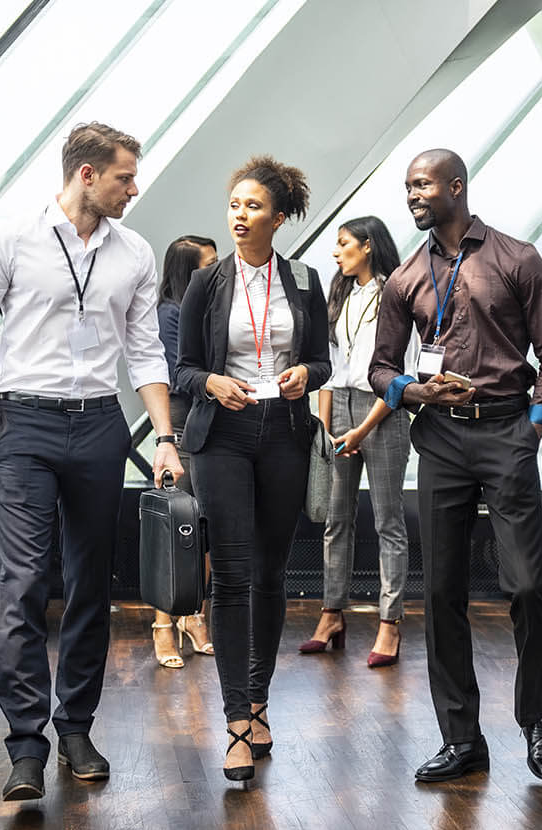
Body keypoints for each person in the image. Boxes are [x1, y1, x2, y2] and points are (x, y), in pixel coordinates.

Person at [0, 122, 183, 802]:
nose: (133, 188)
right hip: (23, 422)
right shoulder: (12, 238)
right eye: (123, 177)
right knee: (23, 584)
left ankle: (75, 726)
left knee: (91, 584)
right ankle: (26, 744)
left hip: (99, 425)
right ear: (86, 174)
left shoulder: (133, 252)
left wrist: (164, 435)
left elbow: (144, 351)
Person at [368, 149, 542, 784]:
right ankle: (462, 739)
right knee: (442, 591)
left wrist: (535, 425)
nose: (413, 195)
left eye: (423, 184)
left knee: (527, 585)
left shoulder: (518, 260)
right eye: (407, 187)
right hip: (441, 441)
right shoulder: (404, 278)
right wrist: (412, 390)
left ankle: (535, 718)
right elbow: (380, 367)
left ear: (456, 187)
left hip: (509, 431)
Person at [174, 155, 331, 782]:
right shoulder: (206, 283)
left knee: (271, 575)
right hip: (223, 436)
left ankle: (261, 701)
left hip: (286, 434)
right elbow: (183, 368)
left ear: (279, 217)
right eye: (234, 204)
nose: (239, 216)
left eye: (253, 207)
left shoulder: (305, 280)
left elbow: (321, 361)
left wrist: (303, 376)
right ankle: (237, 720)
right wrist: (212, 380)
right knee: (232, 574)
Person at [299, 216, 416, 667]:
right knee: (335, 519)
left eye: (343, 243)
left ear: (367, 246)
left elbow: (400, 373)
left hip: (382, 411)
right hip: (340, 408)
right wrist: (326, 428)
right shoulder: (340, 294)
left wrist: (362, 429)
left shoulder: (396, 293)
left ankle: (390, 624)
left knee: (388, 522)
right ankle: (331, 616)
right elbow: (330, 365)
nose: (335, 251)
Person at [150, 234, 218, 668]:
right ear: (187, 270)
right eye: (208, 264)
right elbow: (181, 371)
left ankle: (194, 617)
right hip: (181, 416)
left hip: (211, 414)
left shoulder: (207, 306)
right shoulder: (170, 313)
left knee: (206, 523)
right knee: (175, 523)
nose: (216, 270)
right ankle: (162, 625)